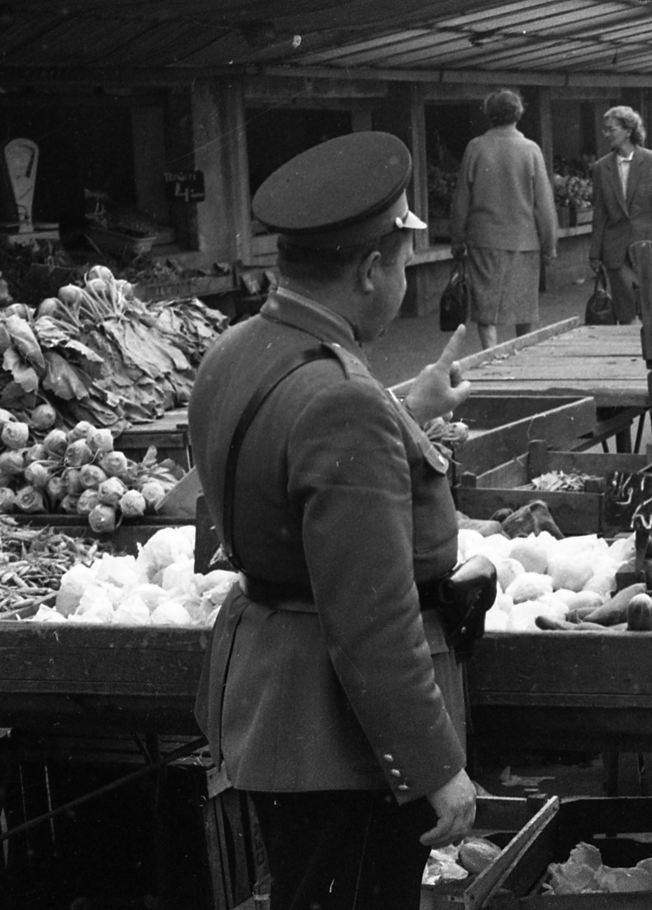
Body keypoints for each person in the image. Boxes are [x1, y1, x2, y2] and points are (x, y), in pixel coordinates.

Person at [191, 132, 478, 910]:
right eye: (402, 261)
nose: (405, 279)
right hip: (339, 740)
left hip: (270, 705)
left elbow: (277, 465)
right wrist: (435, 768)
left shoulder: (234, 349)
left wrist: (403, 410)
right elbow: (372, 619)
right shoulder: (339, 400)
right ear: (370, 269)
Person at [450, 89, 559, 351]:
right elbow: (543, 204)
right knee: (524, 309)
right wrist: (550, 244)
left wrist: (457, 239)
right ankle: (524, 356)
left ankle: (490, 357)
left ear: (489, 114)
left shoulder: (475, 147)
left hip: (484, 241)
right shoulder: (531, 150)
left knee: (486, 310)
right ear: (518, 114)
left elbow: (461, 199)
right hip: (524, 242)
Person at [592, 105, 652, 325]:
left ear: (628, 130)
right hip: (616, 249)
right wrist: (594, 253)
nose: (606, 134)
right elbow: (600, 213)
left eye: (611, 129)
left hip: (649, 244)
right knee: (625, 312)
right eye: (605, 129)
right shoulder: (601, 167)